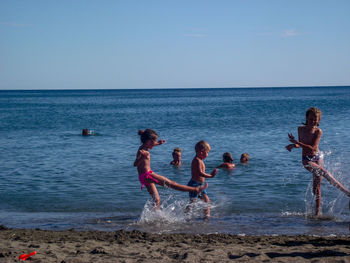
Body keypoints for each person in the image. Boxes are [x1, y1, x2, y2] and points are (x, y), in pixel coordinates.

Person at [285, 107, 350, 216]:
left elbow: (313, 148)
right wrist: (293, 145)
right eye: (311, 119)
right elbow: (302, 145)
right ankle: (347, 193)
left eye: (315, 119)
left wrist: (296, 142)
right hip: (307, 160)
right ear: (306, 118)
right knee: (322, 173)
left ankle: (317, 213)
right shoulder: (300, 129)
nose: (313, 122)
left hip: (317, 156)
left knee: (317, 186)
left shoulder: (318, 131)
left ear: (319, 120)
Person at [134, 129, 208, 210]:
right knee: (172, 184)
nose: (155, 144)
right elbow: (135, 164)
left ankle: (151, 217)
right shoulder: (143, 151)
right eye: (154, 142)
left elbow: (151, 145)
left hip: (143, 177)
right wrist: (142, 158)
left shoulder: (142, 147)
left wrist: (158, 143)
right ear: (149, 141)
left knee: (157, 200)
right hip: (148, 175)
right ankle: (196, 189)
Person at [187, 140, 217, 218]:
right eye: (207, 152)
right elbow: (200, 173)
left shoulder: (200, 160)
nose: (208, 154)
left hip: (200, 184)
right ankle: (186, 215)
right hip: (194, 184)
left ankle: (207, 216)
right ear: (201, 152)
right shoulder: (197, 160)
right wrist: (210, 176)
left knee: (206, 200)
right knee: (193, 202)